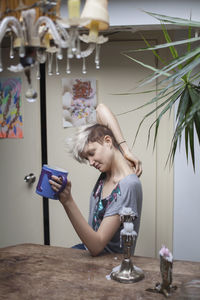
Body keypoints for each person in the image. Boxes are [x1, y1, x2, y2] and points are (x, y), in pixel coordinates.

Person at [49, 103, 142, 256]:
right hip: (89, 252)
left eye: (92, 153)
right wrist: (126, 151)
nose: (91, 162)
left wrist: (67, 201)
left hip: (108, 263)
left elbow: (97, 245)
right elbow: (100, 110)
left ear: (108, 141)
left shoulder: (128, 184)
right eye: (87, 158)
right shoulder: (106, 175)